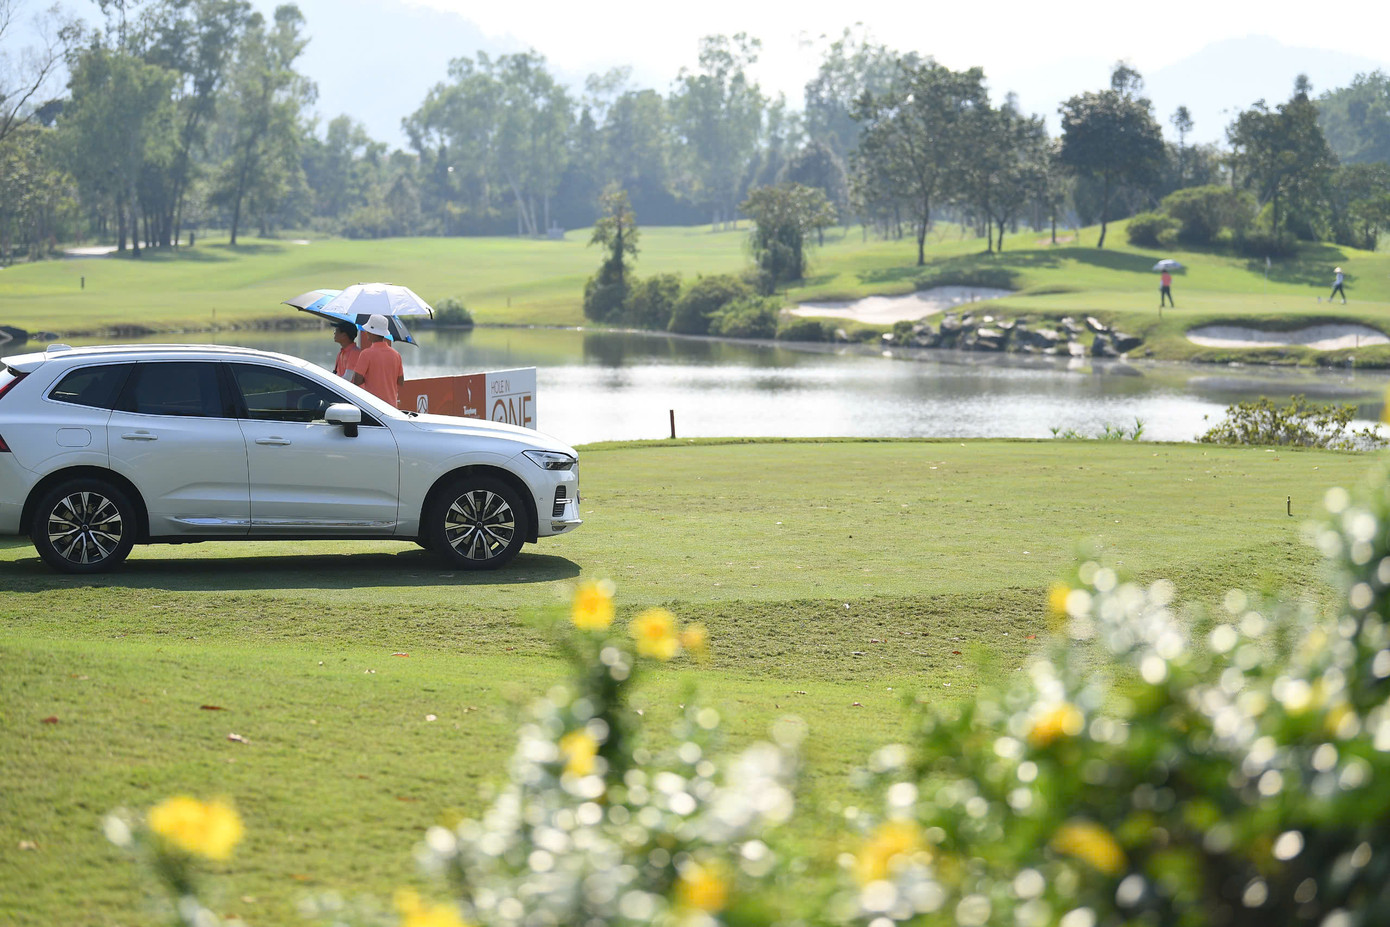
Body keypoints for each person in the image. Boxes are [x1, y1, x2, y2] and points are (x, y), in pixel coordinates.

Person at [351, 314, 405, 407]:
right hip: (392, 406)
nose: (366, 332)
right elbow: (400, 381)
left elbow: (357, 381)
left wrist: (369, 377)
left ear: (373, 332)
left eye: (368, 330)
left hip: (373, 407)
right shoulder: (396, 355)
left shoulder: (366, 354)